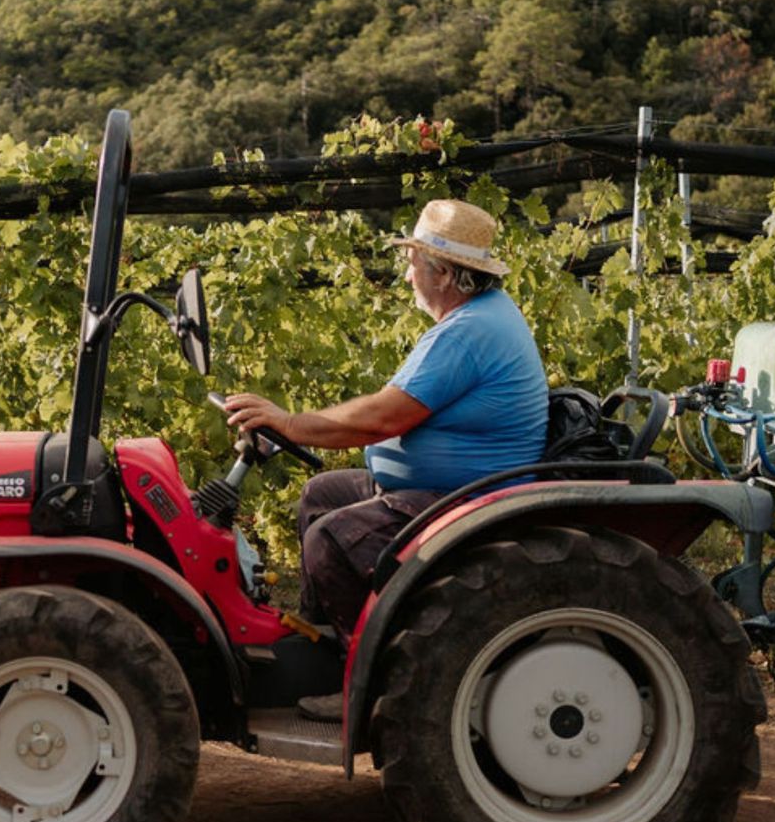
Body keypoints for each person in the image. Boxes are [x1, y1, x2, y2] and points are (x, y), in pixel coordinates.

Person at [226, 198, 548, 720]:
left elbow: (382, 418)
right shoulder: (477, 317)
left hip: (464, 497)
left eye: (413, 262)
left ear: (443, 273)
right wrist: (295, 430)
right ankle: (327, 649)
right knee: (321, 494)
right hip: (449, 487)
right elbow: (388, 410)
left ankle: (368, 685)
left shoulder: (469, 333)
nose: (406, 275)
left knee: (331, 536)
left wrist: (288, 422)